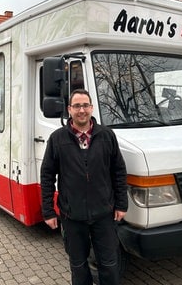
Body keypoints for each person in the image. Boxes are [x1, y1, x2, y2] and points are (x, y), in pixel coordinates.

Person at [41, 89, 128, 285]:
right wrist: (48, 211)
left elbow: (119, 171)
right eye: (77, 106)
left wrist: (122, 204)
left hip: (104, 214)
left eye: (85, 105)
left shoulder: (107, 136)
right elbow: (47, 175)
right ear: (69, 110)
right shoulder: (57, 139)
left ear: (91, 108)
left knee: (109, 264)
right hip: (72, 216)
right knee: (78, 266)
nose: (82, 110)